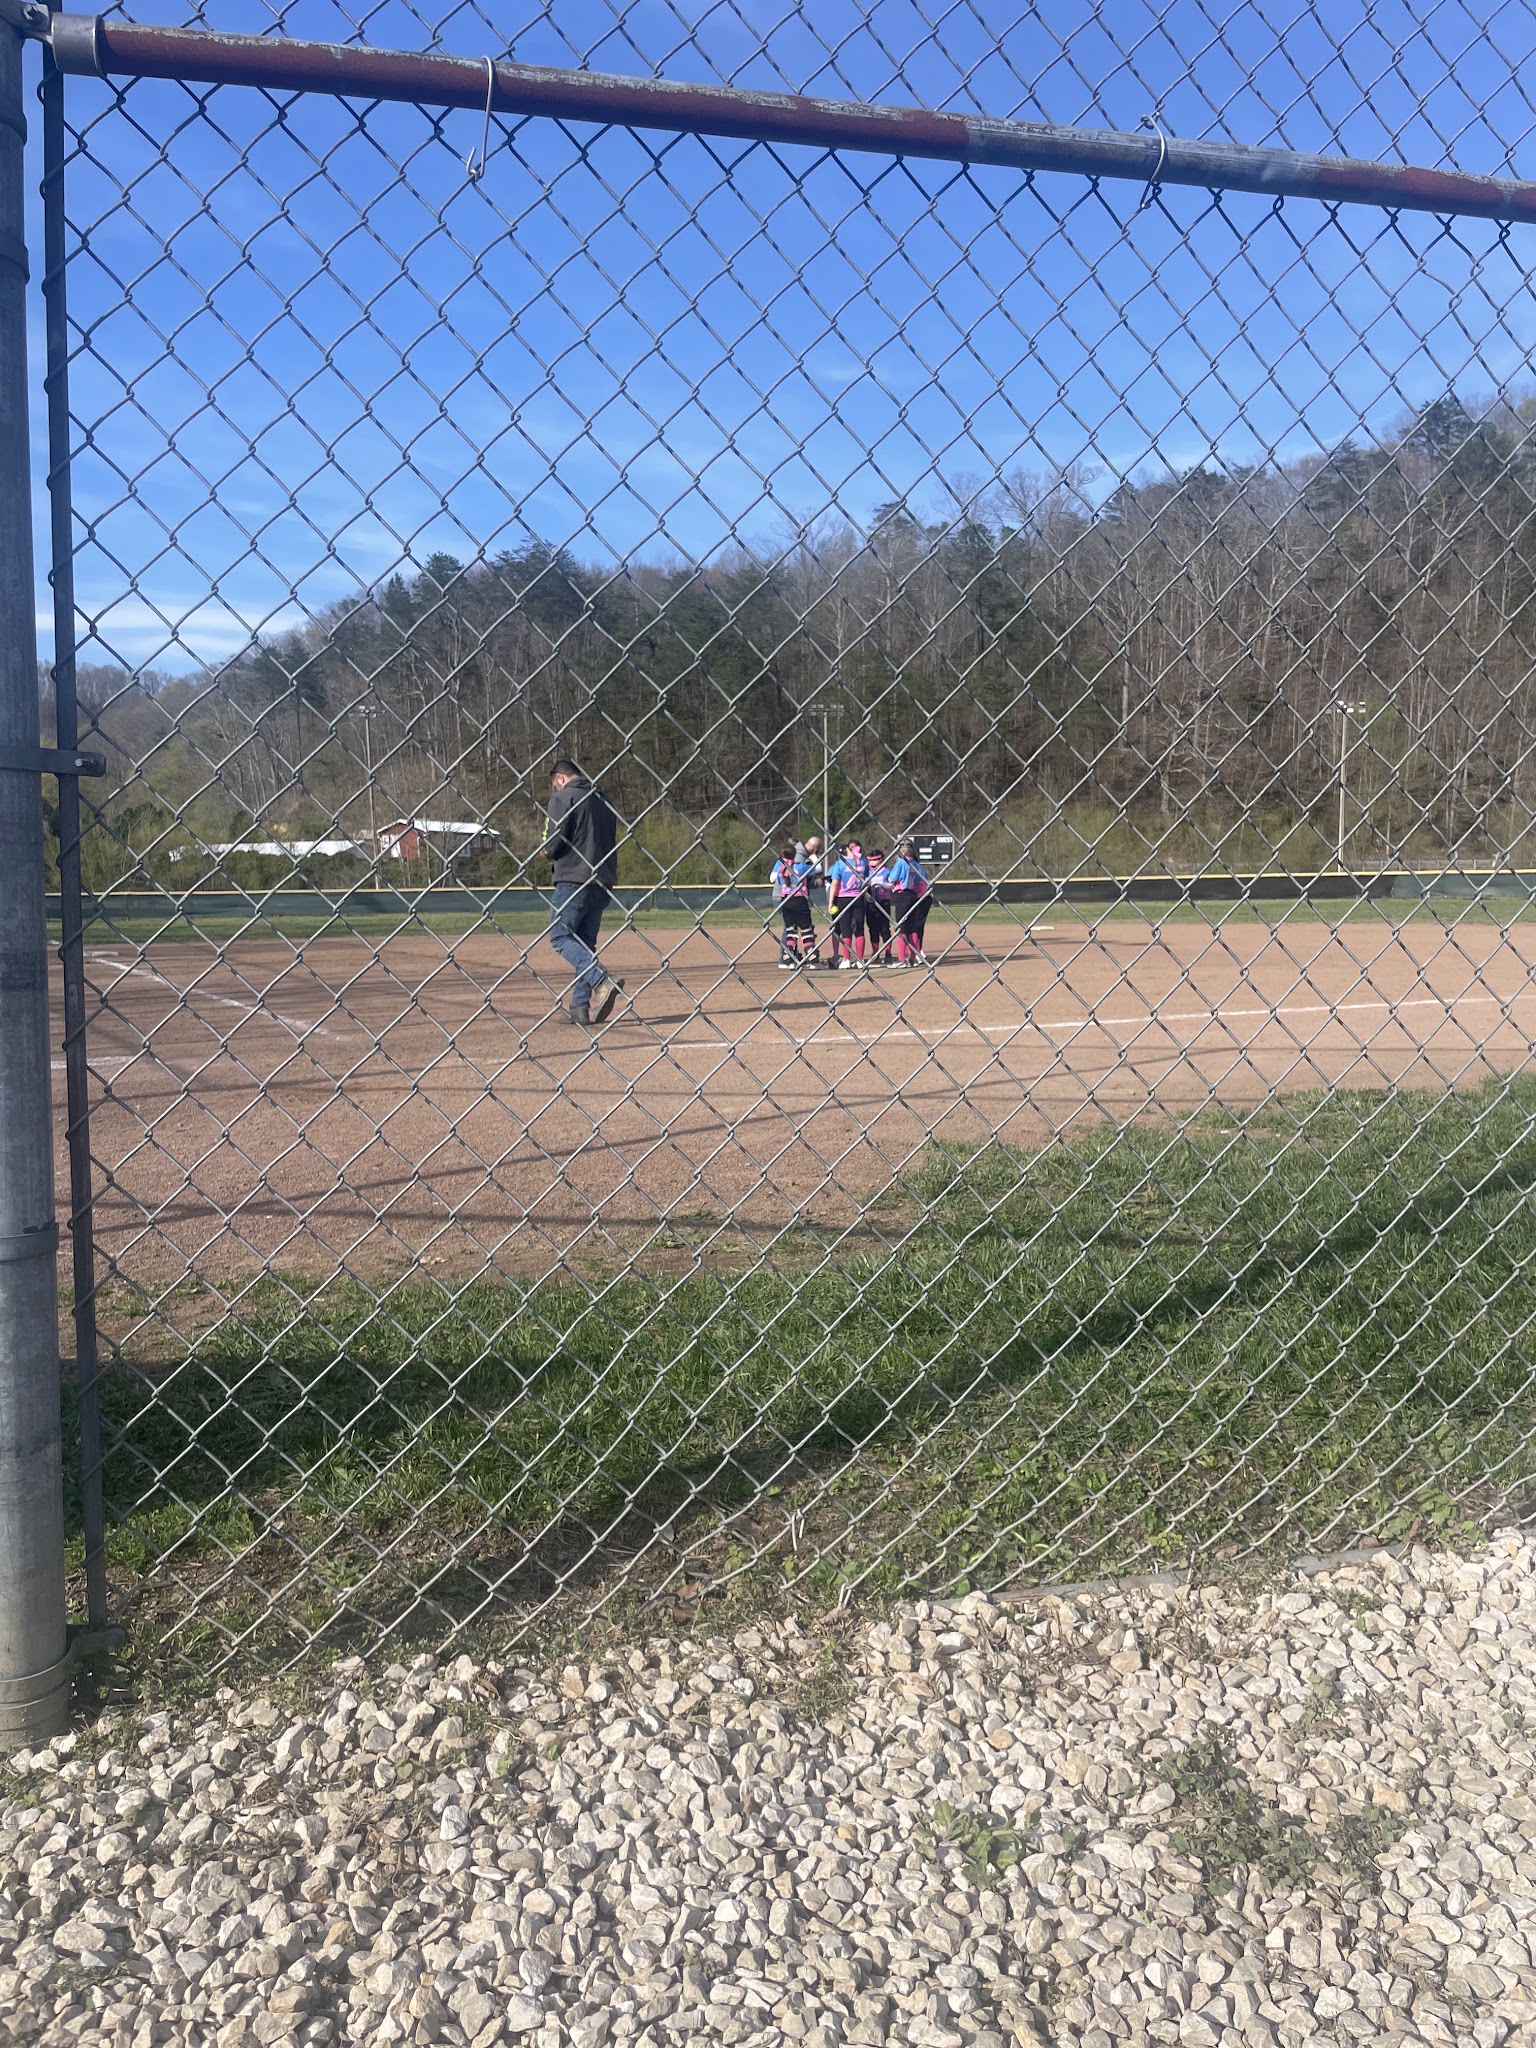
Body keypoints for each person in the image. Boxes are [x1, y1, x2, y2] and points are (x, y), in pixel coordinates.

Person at [544, 759, 624, 1025]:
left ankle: (601, 980)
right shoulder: (603, 799)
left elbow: (553, 841)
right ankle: (579, 1007)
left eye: (555, 783)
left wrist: (544, 850)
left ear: (561, 778)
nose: (556, 788)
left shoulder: (564, 797)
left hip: (573, 879)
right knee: (585, 943)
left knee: (560, 936)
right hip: (603, 880)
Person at [770, 840, 819, 968]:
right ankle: (812, 958)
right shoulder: (801, 867)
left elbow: (772, 878)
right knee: (806, 929)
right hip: (799, 899)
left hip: (785, 900)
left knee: (790, 930)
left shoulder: (781, 867)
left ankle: (788, 958)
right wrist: (814, 856)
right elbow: (817, 868)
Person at [825, 838, 871, 969]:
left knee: (846, 930)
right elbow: (866, 879)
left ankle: (846, 959)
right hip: (858, 898)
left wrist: (830, 902)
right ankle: (860, 959)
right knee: (859, 929)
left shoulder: (840, 864)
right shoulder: (863, 862)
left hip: (843, 899)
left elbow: (834, 884)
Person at [887, 839, 932, 966]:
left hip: (902, 895)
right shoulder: (916, 864)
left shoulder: (901, 862)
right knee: (912, 928)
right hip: (913, 895)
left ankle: (901, 959)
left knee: (902, 928)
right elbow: (921, 880)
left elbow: (891, 879)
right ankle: (912, 958)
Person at [865, 847, 892, 965]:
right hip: (870, 903)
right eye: (871, 860)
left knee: (885, 928)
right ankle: (875, 953)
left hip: (883, 901)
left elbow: (891, 885)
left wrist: (881, 884)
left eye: (876, 860)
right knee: (873, 929)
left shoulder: (887, 871)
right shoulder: (866, 871)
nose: (873, 863)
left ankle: (888, 953)